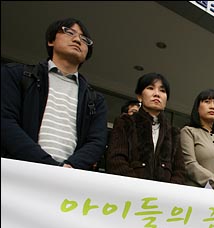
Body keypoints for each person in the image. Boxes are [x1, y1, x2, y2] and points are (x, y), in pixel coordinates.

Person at [1, 17, 108, 169]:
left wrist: (70, 167)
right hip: (19, 174)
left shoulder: (95, 100)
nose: (77, 40)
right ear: (51, 41)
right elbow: (6, 123)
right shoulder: (17, 75)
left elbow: (97, 141)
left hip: (68, 180)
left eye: (84, 39)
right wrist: (48, 165)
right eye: (69, 32)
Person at [106, 72, 185, 184]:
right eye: (150, 88)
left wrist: (168, 191)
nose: (157, 94)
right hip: (129, 193)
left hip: (164, 198)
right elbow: (116, 161)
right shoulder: (125, 122)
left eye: (162, 91)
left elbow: (180, 171)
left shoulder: (173, 133)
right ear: (139, 96)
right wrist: (139, 187)